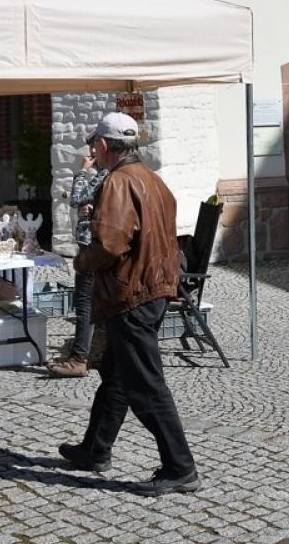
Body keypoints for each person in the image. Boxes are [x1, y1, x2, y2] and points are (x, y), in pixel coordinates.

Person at [59, 113, 199, 495]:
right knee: (117, 377)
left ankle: (180, 466)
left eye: (95, 145)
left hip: (131, 294)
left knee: (145, 385)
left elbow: (109, 245)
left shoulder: (119, 182)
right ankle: (94, 450)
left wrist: (82, 259)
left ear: (104, 146)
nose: (93, 150)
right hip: (151, 288)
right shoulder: (153, 180)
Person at [48, 136, 107, 378]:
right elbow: (81, 202)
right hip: (93, 246)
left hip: (93, 248)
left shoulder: (104, 175)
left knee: (84, 304)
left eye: (94, 147)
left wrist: (82, 172)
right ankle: (92, 354)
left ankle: (79, 357)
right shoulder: (106, 174)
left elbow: (76, 199)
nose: (92, 152)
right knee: (91, 304)